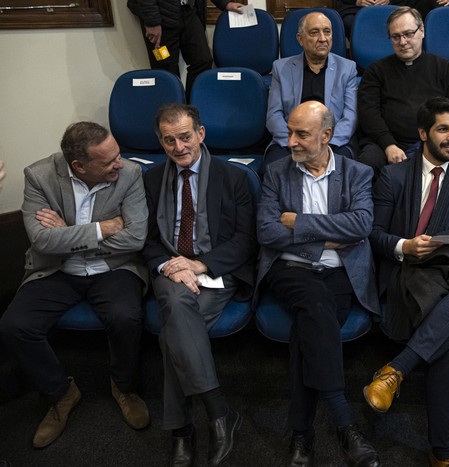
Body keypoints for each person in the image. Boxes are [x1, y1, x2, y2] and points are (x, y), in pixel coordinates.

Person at [365, 97, 449, 467]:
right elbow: (373, 234)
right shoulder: (392, 176)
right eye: (444, 129)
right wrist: (404, 246)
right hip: (408, 271)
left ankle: (396, 370)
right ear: (423, 133)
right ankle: (443, 451)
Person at [0, 122, 150, 448]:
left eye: (118, 155)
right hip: (57, 270)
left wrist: (66, 233)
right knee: (15, 325)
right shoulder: (39, 176)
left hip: (113, 267)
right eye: (108, 161)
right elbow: (42, 243)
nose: (119, 164)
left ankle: (124, 387)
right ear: (79, 166)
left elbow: (135, 238)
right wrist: (102, 228)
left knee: (126, 317)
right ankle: (60, 394)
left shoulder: (130, 175)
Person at [256, 101, 381, 467]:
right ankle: (344, 423)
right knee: (313, 304)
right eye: (289, 132)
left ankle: (301, 434)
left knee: (308, 329)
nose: (290, 141)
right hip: (289, 268)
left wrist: (299, 222)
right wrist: (324, 239)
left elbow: (360, 226)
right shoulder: (276, 171)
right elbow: (267, 231)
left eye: (301, 134)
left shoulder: (357, 173)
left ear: (326, 136)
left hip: (340, 271)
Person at [143, 103, 257, 467]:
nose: (179, 147)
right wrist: (169, 265)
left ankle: (181, 429)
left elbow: (244, 240)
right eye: (169, 140)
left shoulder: (233, 177)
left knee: (171, 334)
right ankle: (217, 412)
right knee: (176, 304)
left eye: (186, 136)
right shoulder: (149, 180)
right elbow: (145, 240)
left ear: (201, 133)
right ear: (160, 143)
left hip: (216, 271)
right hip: (172, 271)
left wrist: (200, 263)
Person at [356, 6, 449, 177]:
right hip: (387, 143)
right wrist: (389, 145)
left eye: (408, 34)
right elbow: (368, 114)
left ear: (422, 31)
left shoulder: (445, 68)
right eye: (396, 37)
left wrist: (430, 146)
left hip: (437, 141)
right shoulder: (375, 71)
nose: (402, 42)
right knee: (367, 165)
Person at [264, 12, 358, 170]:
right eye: (314, 32)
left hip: (333, 142)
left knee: (343, 172)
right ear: (300, 39)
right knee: (272, 169)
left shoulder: (347, 68)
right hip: (291, 142)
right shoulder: (281, 68)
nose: (322, 38)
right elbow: (274, 116)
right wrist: (296, 141)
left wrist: (323, 144)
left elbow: (350, 117)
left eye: (327, 32)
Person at [127, 0, 245, 100]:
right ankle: (173, 116)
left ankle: (189, 110)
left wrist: (225, 3)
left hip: (189, 11)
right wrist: (152, 21)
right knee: (165, 69)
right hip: (161, 18)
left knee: (203, 60)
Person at [336, 0, 449, 40]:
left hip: (396, 4)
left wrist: (389, 0)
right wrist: (357, 1)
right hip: (356, 7)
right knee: (349, 21)